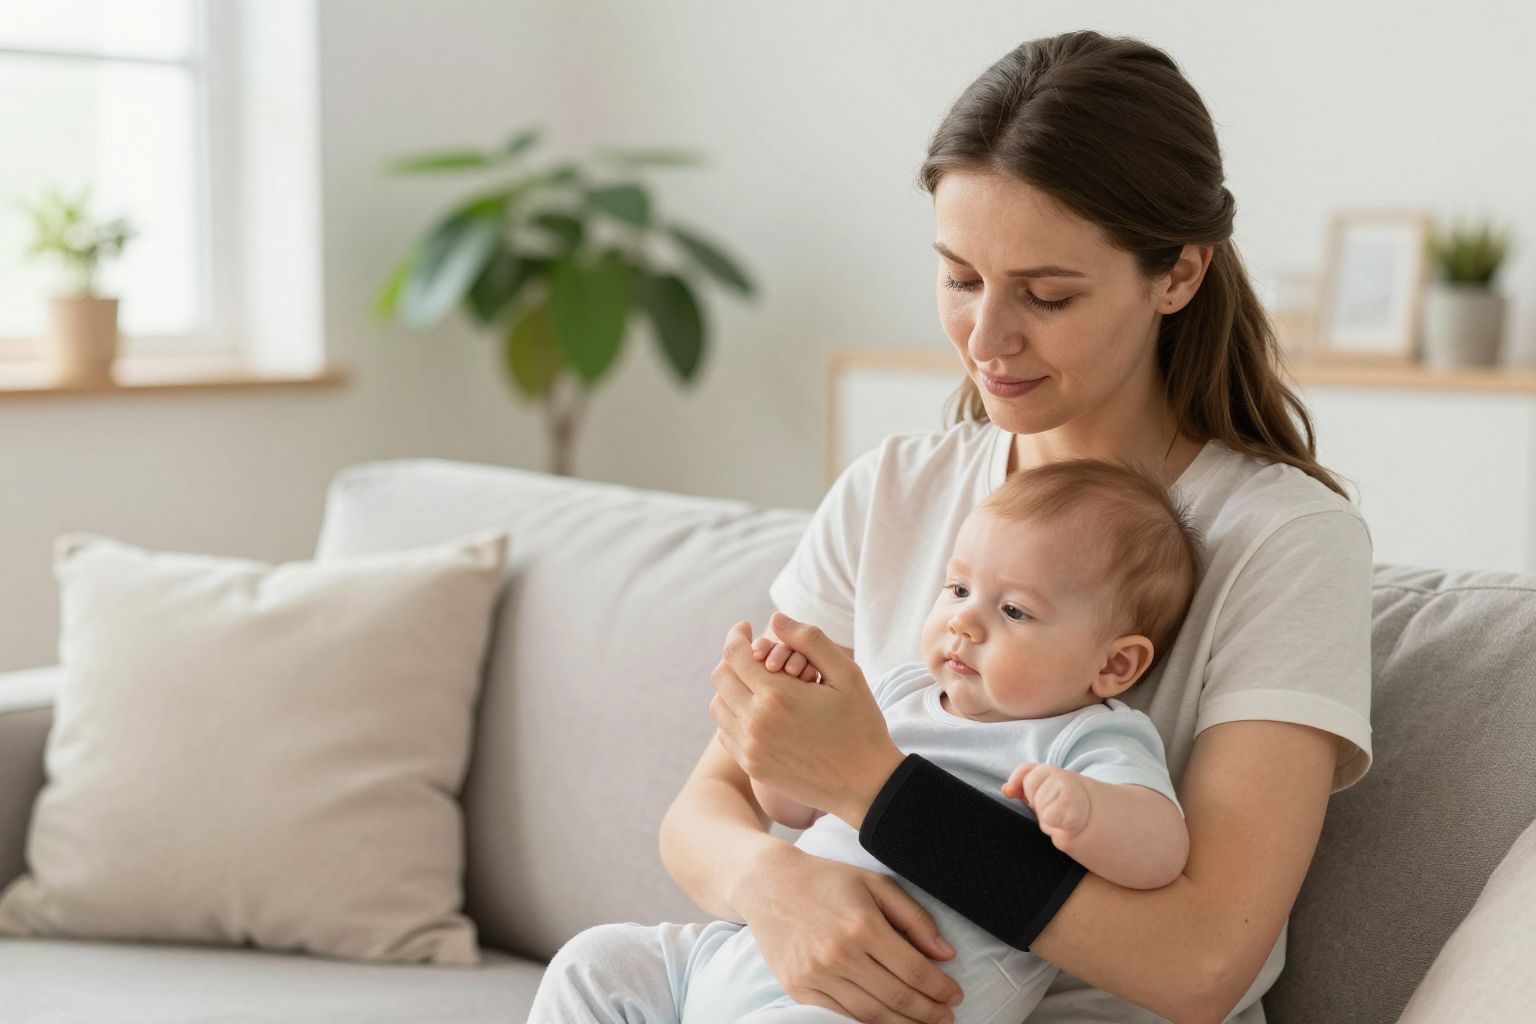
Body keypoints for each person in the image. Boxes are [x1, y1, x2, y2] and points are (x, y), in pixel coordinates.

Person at [664, 29, 1374, 1024]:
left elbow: (1204, 962)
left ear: (1177, 275)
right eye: (960, 278)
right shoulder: (894, 490)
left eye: (1047, 295)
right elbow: (706, 808)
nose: (986, 340)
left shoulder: (1284, 539)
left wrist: (876, 790)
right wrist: (772, 889)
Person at [530, 459, 1205, 1023]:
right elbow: (791, 808)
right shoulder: (898, 693)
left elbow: (1161, 850)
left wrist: (1086, 813)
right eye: (959, 587)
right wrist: (782, 735)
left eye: (1014, 610)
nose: (964, 623)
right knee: (597, 962)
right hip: (741, 954)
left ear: (1114, 665)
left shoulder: (1086, 736)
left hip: (870, 1003)